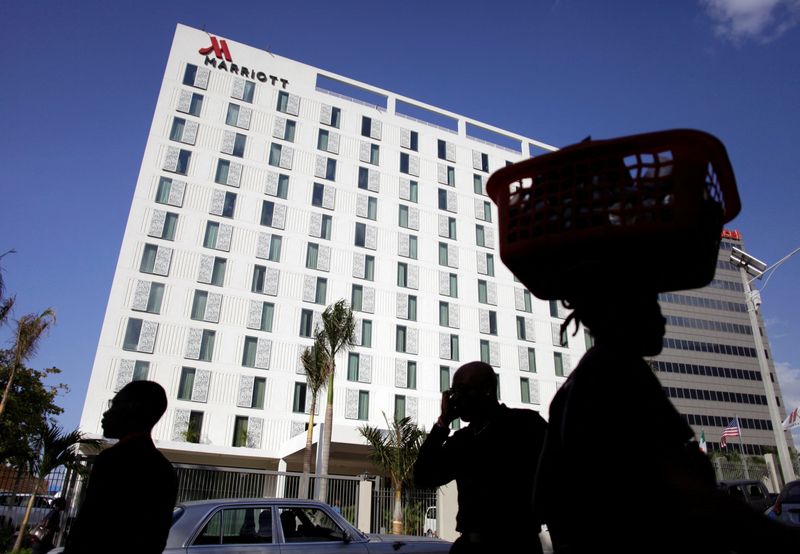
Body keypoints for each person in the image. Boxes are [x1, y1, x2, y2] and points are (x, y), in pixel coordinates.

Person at [534, 289, 800, 554]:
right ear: (623, 313)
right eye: (652, 306)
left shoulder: (578, 383)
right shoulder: (619, 372)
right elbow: (690, 491)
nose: (662, 319)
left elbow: (544, 496)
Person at [413, 361, 548, 554]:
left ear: (486, 390)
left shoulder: (525, 424)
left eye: (461, 390)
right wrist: (443, 423)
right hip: (471, 546)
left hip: (519, 544)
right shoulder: (462, 441)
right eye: (453, 392)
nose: (455, 398)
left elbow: (558, 480)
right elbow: (422, 476)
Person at [64, 381, 177, 554]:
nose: (105, 413)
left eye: (114, 404)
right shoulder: (165, 470)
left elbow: (90, 526)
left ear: (132, 408)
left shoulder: (112, 461)